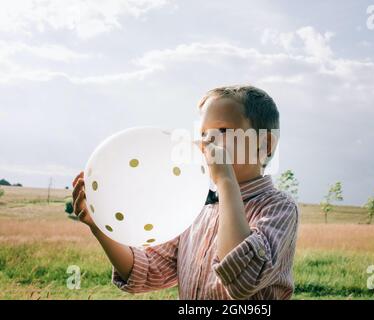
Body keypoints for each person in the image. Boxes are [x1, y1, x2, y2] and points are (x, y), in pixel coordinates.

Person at [72, 85, 299, 299]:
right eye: (203, 132)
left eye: (223, 130)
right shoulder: (195, 207)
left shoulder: (279, 208)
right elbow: (149, 269)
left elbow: (242, 280)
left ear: (265, 145)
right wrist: (99, 225)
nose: (207, 141)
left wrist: (226, 181)